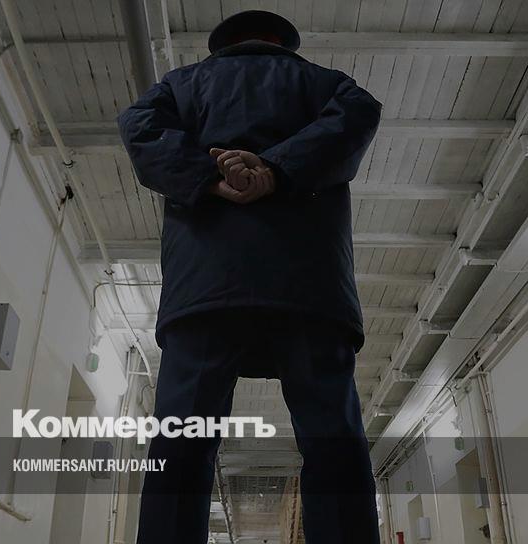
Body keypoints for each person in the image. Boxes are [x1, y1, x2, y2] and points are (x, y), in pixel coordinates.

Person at [118, 10, 382, 543]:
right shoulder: (326, 85)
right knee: (332, 439)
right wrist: (275, 170)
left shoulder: (180, 86)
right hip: (309, 290)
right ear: (284, 45)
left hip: (204, 288)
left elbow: (138, 126)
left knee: (183, 442)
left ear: (220, 47)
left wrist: (210, 178)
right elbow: (359, 114)